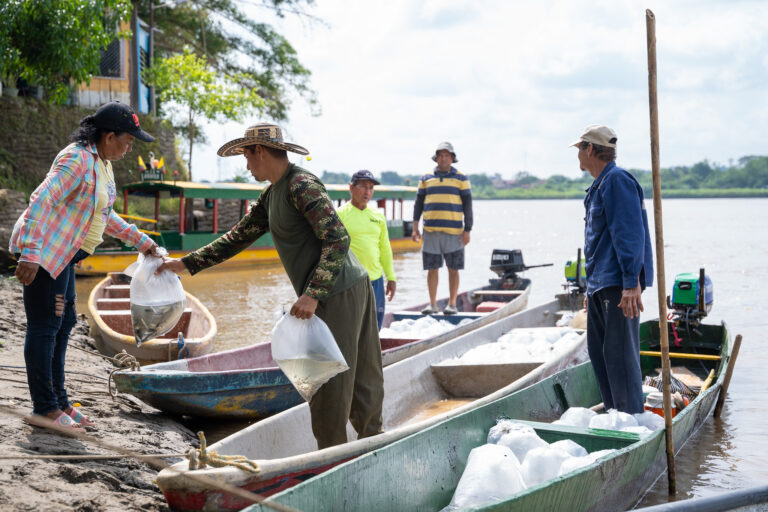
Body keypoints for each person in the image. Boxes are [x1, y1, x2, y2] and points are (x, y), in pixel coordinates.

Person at [157, 123, 384, 449]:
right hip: (342, 288)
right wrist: (188, 263)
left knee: (331, 380)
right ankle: (356, 446)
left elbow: (338, 238)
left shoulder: (301, 185)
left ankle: (347, 451)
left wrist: (312, 294)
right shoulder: (273, 193)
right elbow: (239, 236)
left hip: (337, 291)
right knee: (350, 376)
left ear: (260, 151)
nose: (247, 165)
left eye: (247, 157)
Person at [10, 101, 159, 431]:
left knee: (64, 324)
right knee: (46, 326)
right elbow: (41, 200)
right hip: (45, 252)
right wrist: (30, 254)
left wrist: (141, 241)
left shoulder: (102, 163)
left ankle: (59, 400)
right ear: (109, 136)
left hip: (64, 255)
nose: (130, 146)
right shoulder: (77, 158)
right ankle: (45, 409)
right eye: (128, 140)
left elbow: (103, 215)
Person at [572, 125, 654, 414]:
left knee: (619, 355)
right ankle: (614, 413)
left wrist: (631, 282)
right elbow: (598, 241)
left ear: (591, 149)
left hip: (618, 285)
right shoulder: (599, 184)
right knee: (601, 353)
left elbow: (629, 234)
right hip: (600, 284)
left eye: (580, 148)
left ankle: (630, 417)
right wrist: (589, 286)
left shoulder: (616, 181)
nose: (578, 155)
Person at [411, 141, 473, 315]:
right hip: (430, 231)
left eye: (447, 155)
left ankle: (452, 304)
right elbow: (418, 204)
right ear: (436, 157)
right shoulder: (426, 178)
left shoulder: (461, 178)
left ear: (452, 158)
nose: (443, 158)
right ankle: (432, 304)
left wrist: (467, 229)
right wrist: (415, 226)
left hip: (454, 232)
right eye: (441, 155)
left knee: (453, 269)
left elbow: (468, 205)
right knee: (432, 269)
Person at [336, 170, 396, 329]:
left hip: (376, 280)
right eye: (363, 187)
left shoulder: (378, 217)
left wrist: (391, 277)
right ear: (351, 188)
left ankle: (373, 354)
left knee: (375, 327)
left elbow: (384, 248)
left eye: (370, 188)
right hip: (350, 281)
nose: (367, 192)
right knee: (352, 327)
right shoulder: (339, 215)